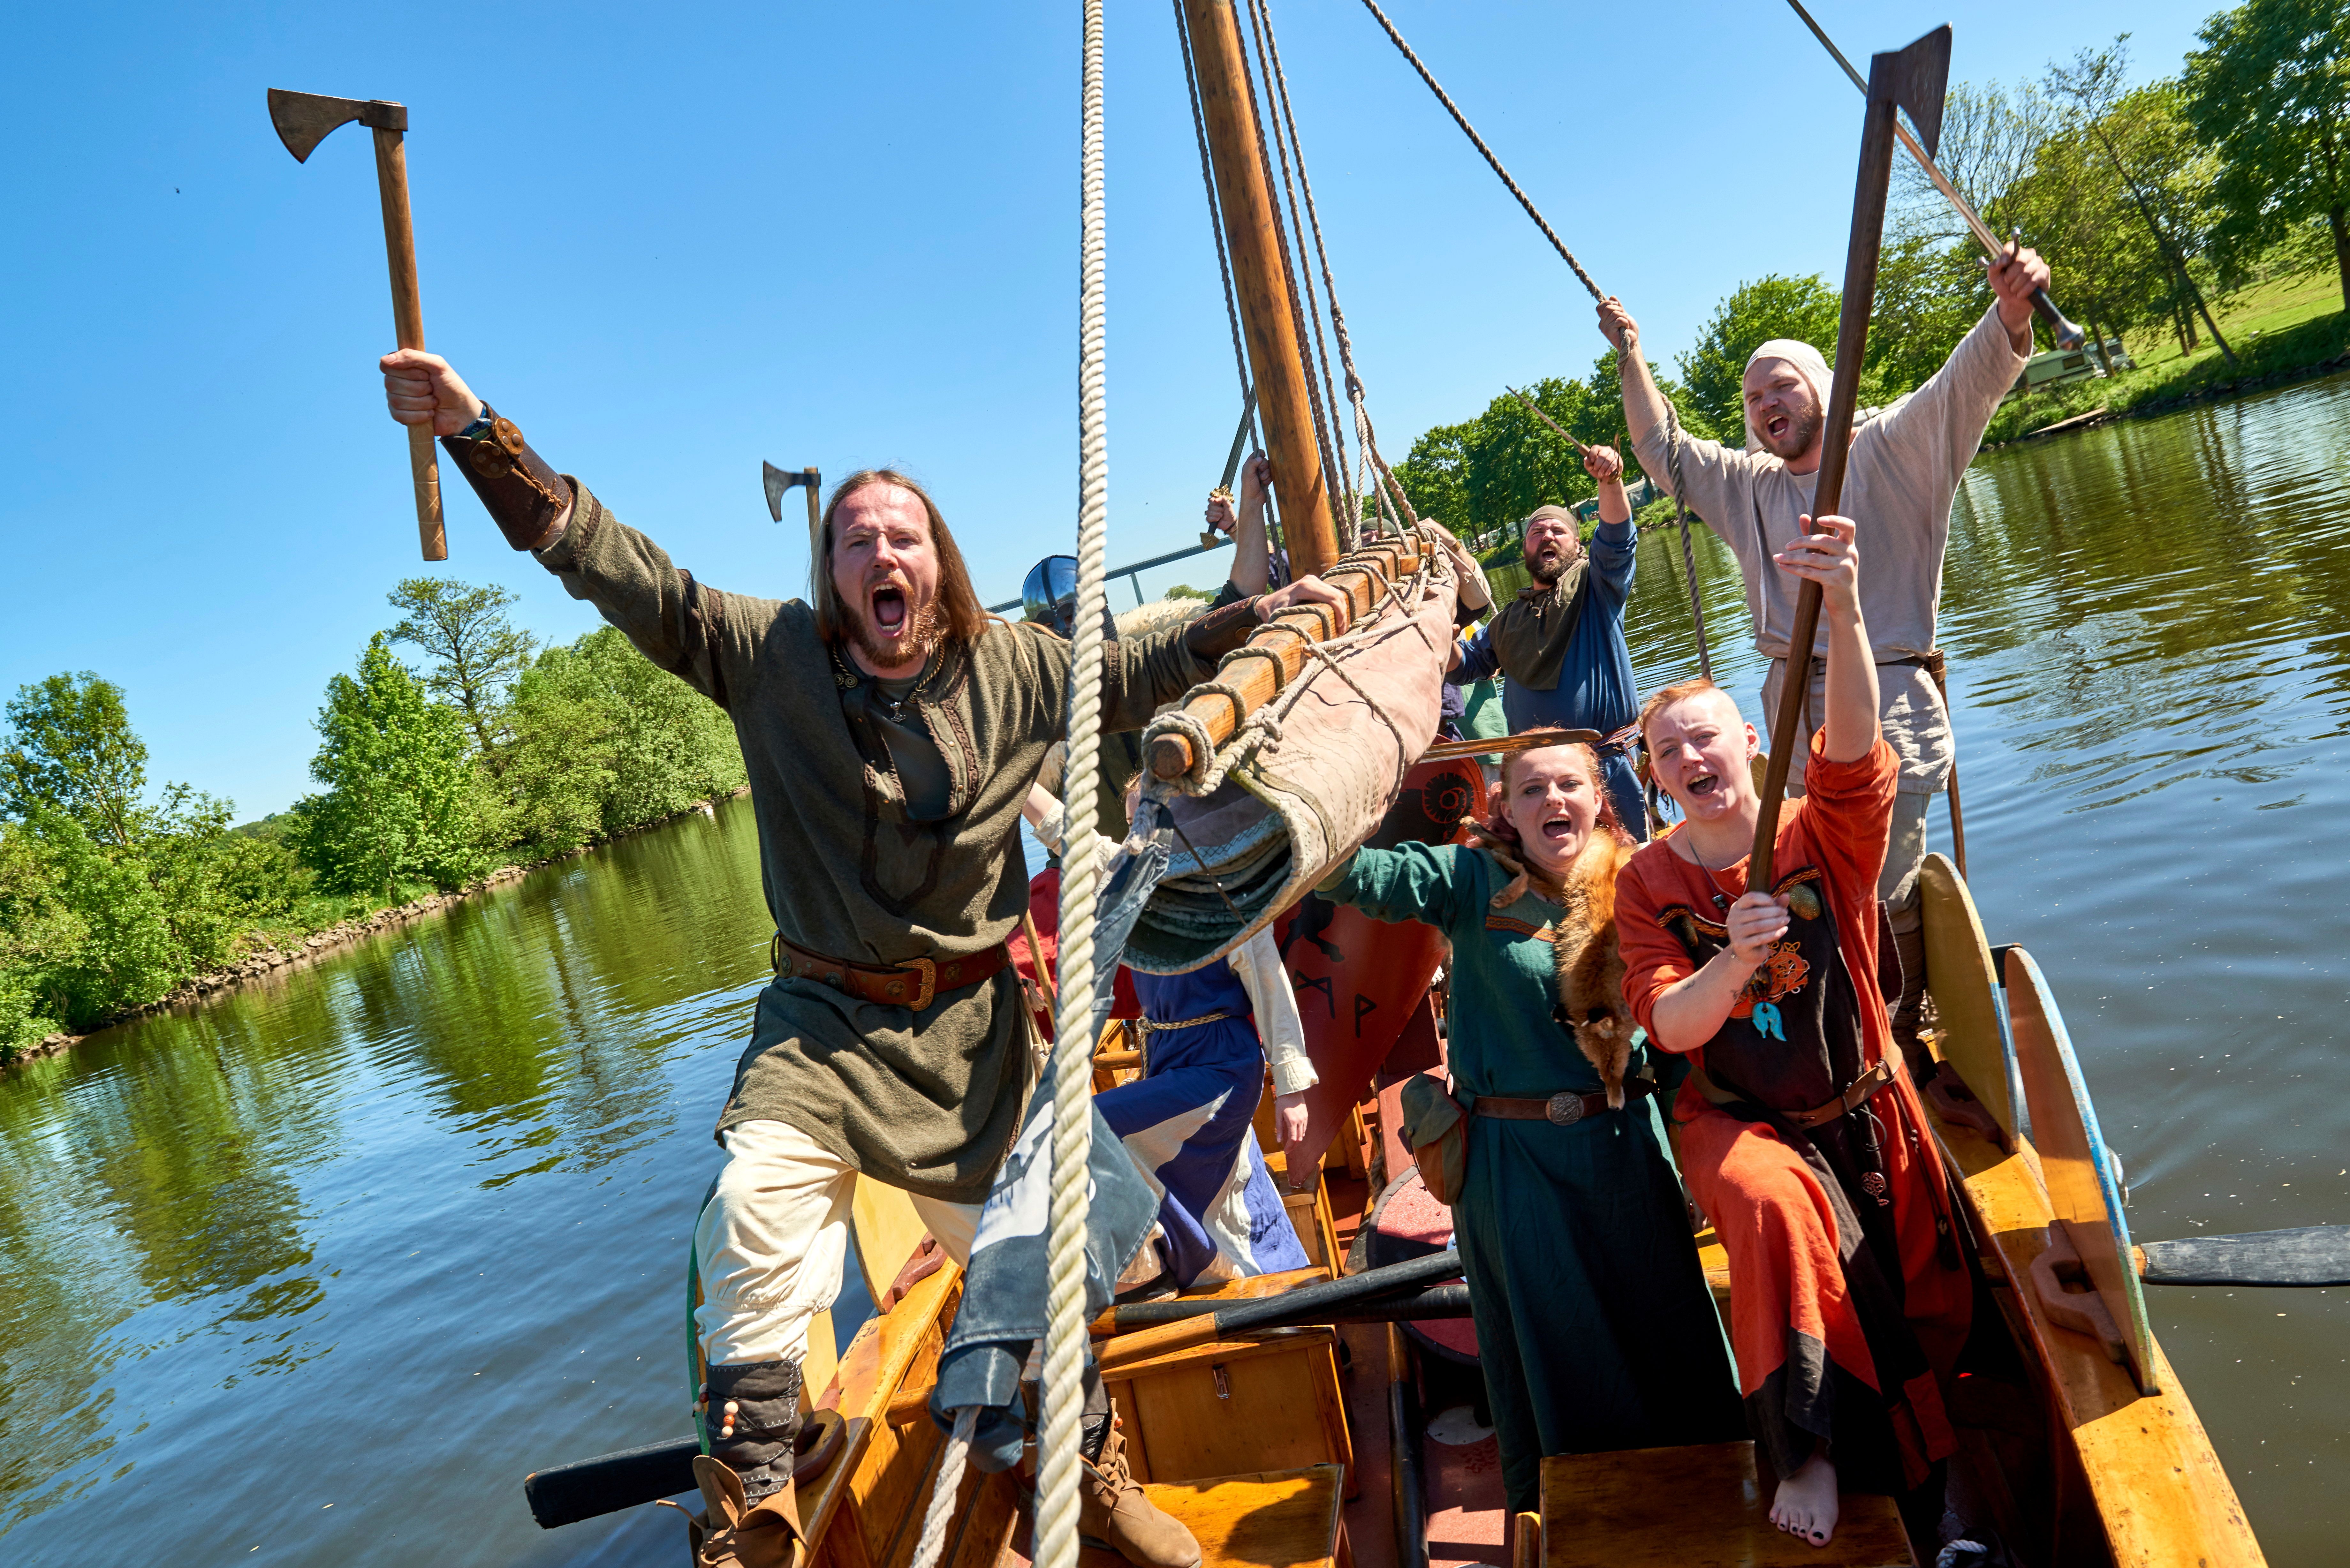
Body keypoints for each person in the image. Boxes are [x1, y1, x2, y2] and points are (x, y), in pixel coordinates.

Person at [380, 347, 1349, 1568]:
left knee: (1053, 1279)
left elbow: (1141, 667)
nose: (883, 556)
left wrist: (1253, 616)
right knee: (753, 1219)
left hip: (977, 1045)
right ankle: (759, 1511)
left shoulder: (1019, 668)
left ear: (938, 563)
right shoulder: (770, 658)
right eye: (856, 541)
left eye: (904, 537)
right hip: (821, 1029)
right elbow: (622, 572)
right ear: (832, 576)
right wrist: (479, 435)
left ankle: (1090, 1478)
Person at [1598, 243, 2052, 1068]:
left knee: (1878, 889)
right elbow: (1662, 449)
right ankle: (1827, 1037)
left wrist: (2013, 308)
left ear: (1824, 391)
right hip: (1788, 715)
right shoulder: (1751, 486)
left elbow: (1967, 384)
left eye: (1784, 385)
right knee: (1811, 891)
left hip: (1888, 701)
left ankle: (1906, 1035)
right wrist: (1631, 355)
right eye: (1754, 397)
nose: (1768, 403)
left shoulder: (1894, 446)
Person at [1613, 513, 1971, 1550]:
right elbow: (1673, 1029)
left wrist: (1848, 608)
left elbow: (1856, 749)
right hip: (1737, 1122)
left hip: (1863, 1106)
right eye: (1667, 750)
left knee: (1921, 1306)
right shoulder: (1652, 882)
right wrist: (1729, 958)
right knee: (1774, 1207)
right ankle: (1802, 1450)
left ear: (1752, 745)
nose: (1689, 755)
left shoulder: (1818, 827)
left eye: (1705, 736)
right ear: (1657, 777)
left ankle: (1929, 1481)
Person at [1314, 738, 1743, 1515]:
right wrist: (1321, 789)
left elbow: (1679, 1035)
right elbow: (1360, 876)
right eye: (1532, 788)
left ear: (1596, 796)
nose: (1554, 800)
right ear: (1503, 808)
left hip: (1623, 1150)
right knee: (1554, 1341)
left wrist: (1703, 1156)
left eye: (1569, 784)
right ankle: (1574, 1510)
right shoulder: (1467, 879)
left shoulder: (1638, 880)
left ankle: (1703, 1490)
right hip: (1513, 1168)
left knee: (1663, 1318)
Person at [1026, 781, 1316, 1290]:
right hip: (1165, 1053)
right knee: (1223, 1182)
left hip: (1221, 1065)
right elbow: (1063, 831)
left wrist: (1290, 1088)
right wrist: (1016, 775)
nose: (1149, 834)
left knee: (1089, 1127)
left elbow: (1270, 985)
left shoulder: (1223, 893)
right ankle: (1241, 1268)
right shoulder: (1125, 875)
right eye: (1139, 822)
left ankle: (1145, 1271)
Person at [1445, 445, 1648, 840]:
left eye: (1558, 530)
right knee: (1554, 882)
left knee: (1632, 871)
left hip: (1606, 769)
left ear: (1577, 545)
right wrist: (1442, 629)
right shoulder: (1508, 620)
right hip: (1537, 778)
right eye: (1537, 532)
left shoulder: (1597, 589)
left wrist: (1610, 482)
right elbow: (1465, 666)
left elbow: (1619, 541)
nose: (1547, 536)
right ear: (1526, 549)